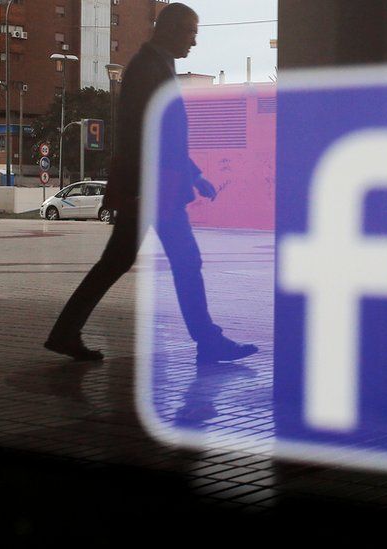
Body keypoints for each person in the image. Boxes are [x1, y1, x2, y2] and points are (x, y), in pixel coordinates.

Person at [45, 3, 257, 363]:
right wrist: (149, 187)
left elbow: (164, 135)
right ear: (169, 29)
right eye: (190, 31)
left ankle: (65, 332)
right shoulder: (148, 68)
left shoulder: (157, 66)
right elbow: (145, 134)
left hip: (153, 185)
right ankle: (207, 341)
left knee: (118, 261)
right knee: (183, 260)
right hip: (153, 187)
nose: (194, 40)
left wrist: (194, 174)